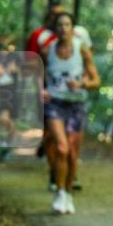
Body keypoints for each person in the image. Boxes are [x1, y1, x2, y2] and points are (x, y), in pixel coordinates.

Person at [43, 11, 100, 214]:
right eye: (60, 25)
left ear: (72, 28)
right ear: (55, 29)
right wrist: (41, 89)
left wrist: (83, 83)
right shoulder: (47, 50)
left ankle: (67, 193)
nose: (63, 29)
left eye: (67, 25)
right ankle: (59, 193)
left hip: (77, 105)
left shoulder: (81, 50)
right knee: (61, 148)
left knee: (73, 154)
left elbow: (96, 81)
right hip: (55, 104)